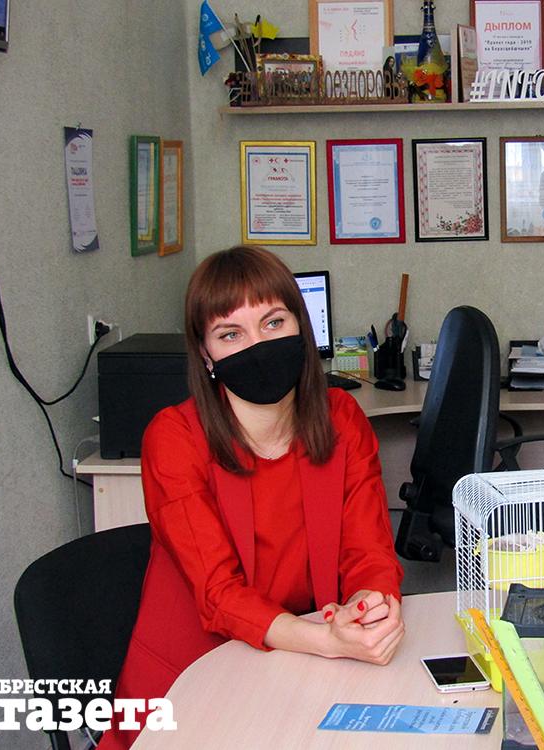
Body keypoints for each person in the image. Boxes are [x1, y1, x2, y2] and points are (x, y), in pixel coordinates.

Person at [99, 246, 404, 749]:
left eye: (273, 322)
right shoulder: (174, 438)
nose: (257, 345)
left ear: (302, 326)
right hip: (191, 677)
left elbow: (368, 550)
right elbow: (219, 593)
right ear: (205, 354)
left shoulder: (341, 419)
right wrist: (327, 640)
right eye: (230, 334)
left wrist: (369, 608)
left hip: (298, 664)